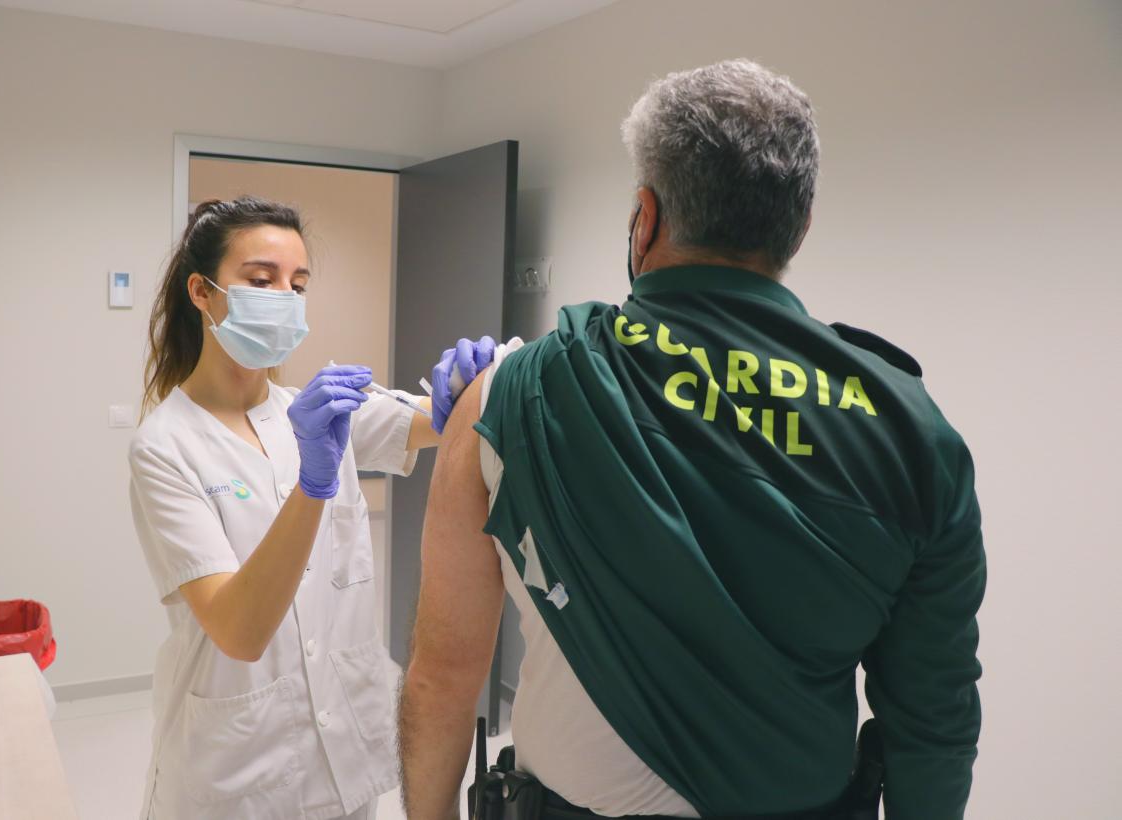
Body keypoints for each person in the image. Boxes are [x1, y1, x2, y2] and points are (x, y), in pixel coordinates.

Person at [398, 60, 986, 820]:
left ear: (644, 218)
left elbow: (443, 674)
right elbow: (933, 725)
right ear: (799, 227)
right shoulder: (910, 428)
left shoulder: (515, 396)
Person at [129, 196, 496, 820]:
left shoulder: (318, 411)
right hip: (239, 768)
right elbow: (239, 632)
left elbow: (436, 421)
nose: (284, 297)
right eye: (261, 279)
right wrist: (313, 487)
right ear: (202, 291)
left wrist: (473, 387)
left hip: (341, 747)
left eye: (297, 284)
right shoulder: (165, 447)